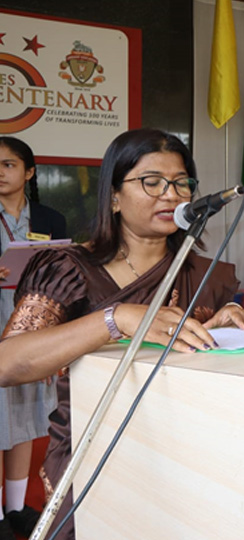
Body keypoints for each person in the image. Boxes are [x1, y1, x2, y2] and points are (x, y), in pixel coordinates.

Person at [0, 128, 244, 539]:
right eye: (151, 181)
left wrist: (217, 332)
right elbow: (9, 363)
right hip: (89, 457)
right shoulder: (68, 269)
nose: (171, 194)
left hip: (184, 460)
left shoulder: (204, 275)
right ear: (113, 196)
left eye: (182, 183)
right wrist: (115, 319)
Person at [0, 137, 67, 539]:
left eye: (8, 164)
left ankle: (15, 509)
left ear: (29, 172)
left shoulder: (50, 218)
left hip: (31, 321)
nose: (0, 172)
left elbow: (62, 269)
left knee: (24, 416)